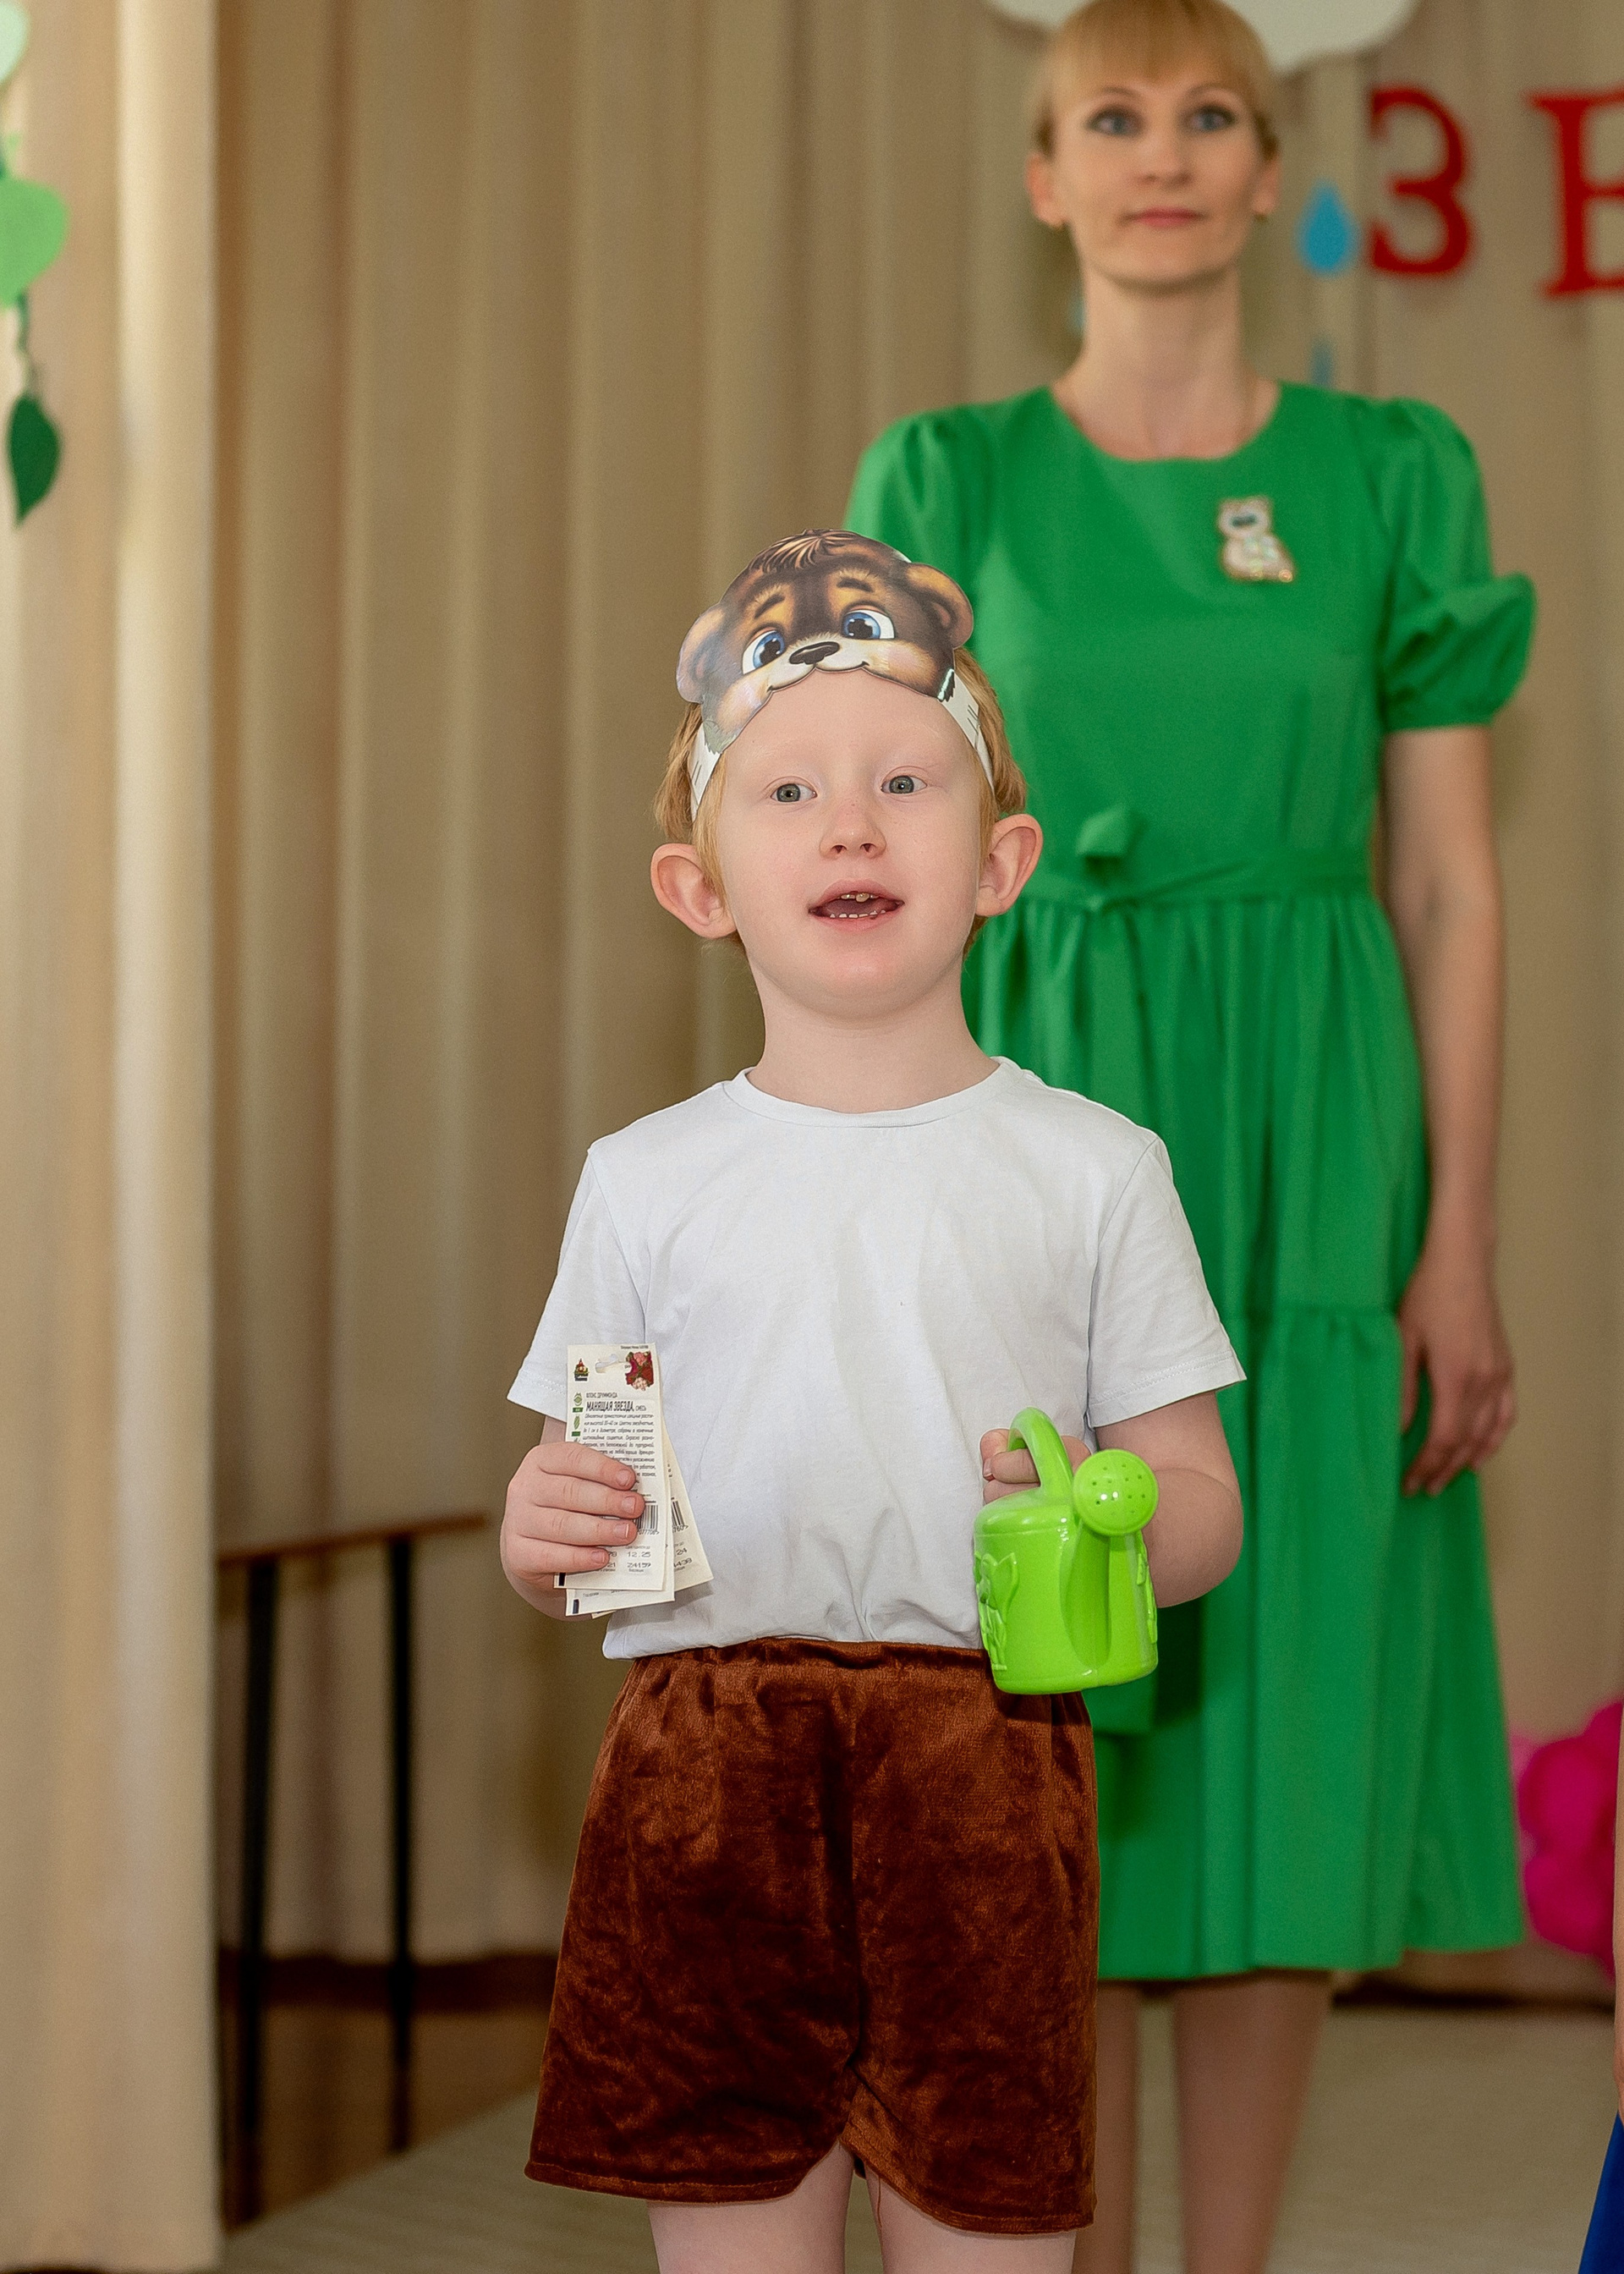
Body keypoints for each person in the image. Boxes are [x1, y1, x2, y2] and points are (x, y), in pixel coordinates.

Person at [845, 5, 1534, 2271]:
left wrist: (1458, 1239)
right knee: (1056, 1721)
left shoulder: (1391, 476)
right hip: (1038, 1115)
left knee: (1281, 1712)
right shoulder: (945, 480)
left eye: (1210, 115)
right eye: (1114, 118)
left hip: (1312, 1140)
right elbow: (866, 859)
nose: (1164, 154)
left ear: (1267, 172)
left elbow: (1449, 884)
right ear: (1046, 178)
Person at [500, 529, 1246, 2273]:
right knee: (731, 2222)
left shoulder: (1095, 1169)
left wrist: (1104, 1521)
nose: (850, 824)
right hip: (702, 1777)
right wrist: (539, 1535)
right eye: (789, 792)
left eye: (904, 782)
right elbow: (577, 1504)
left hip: (981, 1769)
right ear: (701, 887)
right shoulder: (643, 1180)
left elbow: (1202, 1502)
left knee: (987, 2210)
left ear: (999, 862)